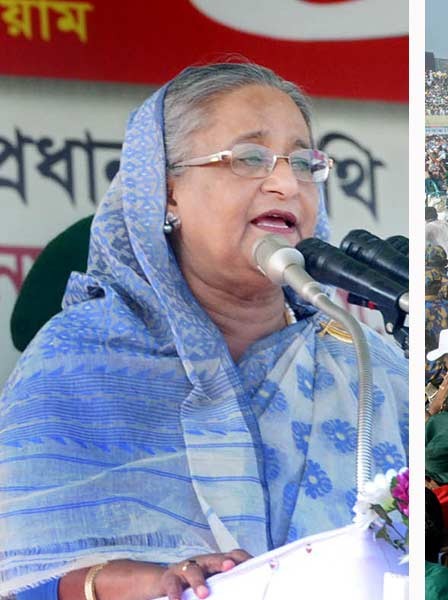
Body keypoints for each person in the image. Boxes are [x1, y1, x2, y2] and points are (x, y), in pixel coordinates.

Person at [0, 63, 408, 599]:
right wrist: (116, 583)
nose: (286, 183)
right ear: (167, 193)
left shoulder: (366, 362)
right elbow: (17, 575)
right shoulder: (76, 361)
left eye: (305, 163)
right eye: (249, 158)